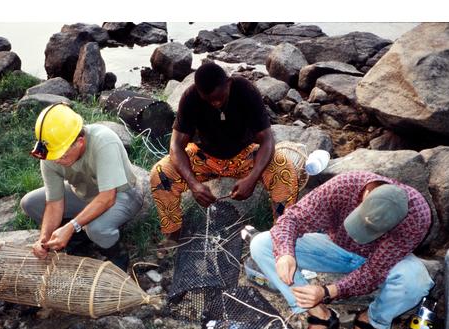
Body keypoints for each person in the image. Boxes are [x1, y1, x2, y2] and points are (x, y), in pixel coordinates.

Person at [250, 171, 434, 329]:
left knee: (416, 282)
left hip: (381, 259)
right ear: (366, 193)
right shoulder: (344, 185)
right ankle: (320, 315)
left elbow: (374, 271)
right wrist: (285, 253)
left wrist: (328, 291)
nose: (359, 236)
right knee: (262, 244)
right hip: (335, 248)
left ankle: (367, 321)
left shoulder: (417, 215)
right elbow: (292, 219)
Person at [150, 61, 299, 244]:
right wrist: (194, 184)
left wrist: (252, 179)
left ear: (228, 83)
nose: (215, 103)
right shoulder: (190, 96)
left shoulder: (245, 90)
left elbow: (267, 139)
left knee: (284, 168)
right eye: (209, 99)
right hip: (205, 158)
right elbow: (175, 146)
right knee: (160, 173)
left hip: (245, 155)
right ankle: (174, 237)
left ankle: (283, 235)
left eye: (219, 97)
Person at [20, 103, 142, 269]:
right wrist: (44, 238)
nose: (55, 160)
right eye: (52, 154)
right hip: (84, 194)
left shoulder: (104, 141)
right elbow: (54, 203)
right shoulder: (50, 152)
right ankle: (79, 241)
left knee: (96, 228)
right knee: (30, 203)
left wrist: (71, 226)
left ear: (80, 141)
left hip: (122, 194)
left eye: (61, 155)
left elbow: (107, 197)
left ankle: (117, 257)